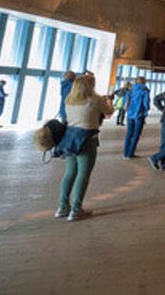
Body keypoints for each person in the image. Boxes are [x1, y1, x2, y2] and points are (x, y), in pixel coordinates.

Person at [55, 74, 113, 221]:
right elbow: (109, 112)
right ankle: (76, 209)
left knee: (69, 173)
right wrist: (109, 101)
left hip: (70, 139)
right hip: (87, 139)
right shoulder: (95, 100)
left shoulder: (69, 100)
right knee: (83, 174)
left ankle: (62, 207)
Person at [122, 77, 150, 160]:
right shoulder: (144, 91)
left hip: (130, 115)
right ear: (144, 82)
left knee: (129, 134)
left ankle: (125, 153)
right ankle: (130, 154)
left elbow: (125, 102)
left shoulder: (130, 90)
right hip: (139, 115)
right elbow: (146, 104)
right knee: (136, 135)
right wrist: (145, 110)